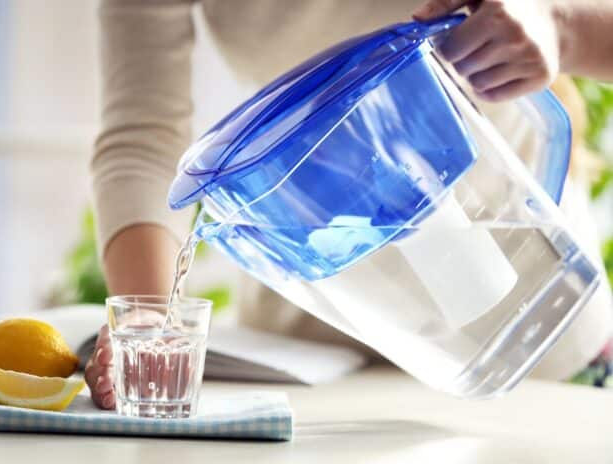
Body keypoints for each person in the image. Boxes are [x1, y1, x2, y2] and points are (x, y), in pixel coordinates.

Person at [86, 0, 613, 409]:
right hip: (312, 365)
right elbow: (143, 140)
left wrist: (559, 24)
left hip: (537, 336)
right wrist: (151, 325)